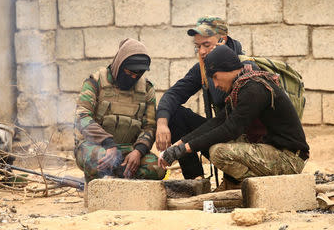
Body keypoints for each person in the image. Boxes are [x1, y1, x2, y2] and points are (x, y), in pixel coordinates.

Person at [158, 45, 309, 189]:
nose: (215, 84)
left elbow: (230, 129)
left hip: (289, 159)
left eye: (216, 77)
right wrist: (179, 144)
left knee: (218, 152)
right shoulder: (242, 86)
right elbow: (218, 122)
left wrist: (185, 149)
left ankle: (243, 186)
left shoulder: (253, 89)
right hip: (271, 150)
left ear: (227, 69)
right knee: (216, 142)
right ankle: (234, 183)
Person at [155, 16, 247, 180]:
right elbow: (174, 94)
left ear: (223, 40)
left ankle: (235, 180)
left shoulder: (244, 68)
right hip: (220, 130)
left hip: (246, 142)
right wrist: (162, 123)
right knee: (175, 115)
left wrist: (184, 145)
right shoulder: (203, 68)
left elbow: (230, 124)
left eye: (206, 45)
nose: (202, 52)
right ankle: (195, 181)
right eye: (198, 47)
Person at [74, 38, 166, 183]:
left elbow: (150, 126)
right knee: (98, 160)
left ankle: (119, 176)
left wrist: (138, 151)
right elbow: (82, 117)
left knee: (156, 167)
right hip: (97, 147)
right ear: (119, 64)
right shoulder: (95, 82)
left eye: (138, 74)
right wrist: (108, 143)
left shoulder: (146, 88)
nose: (133, 78)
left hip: (128, 150)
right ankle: (105, 180)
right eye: (129, 72)